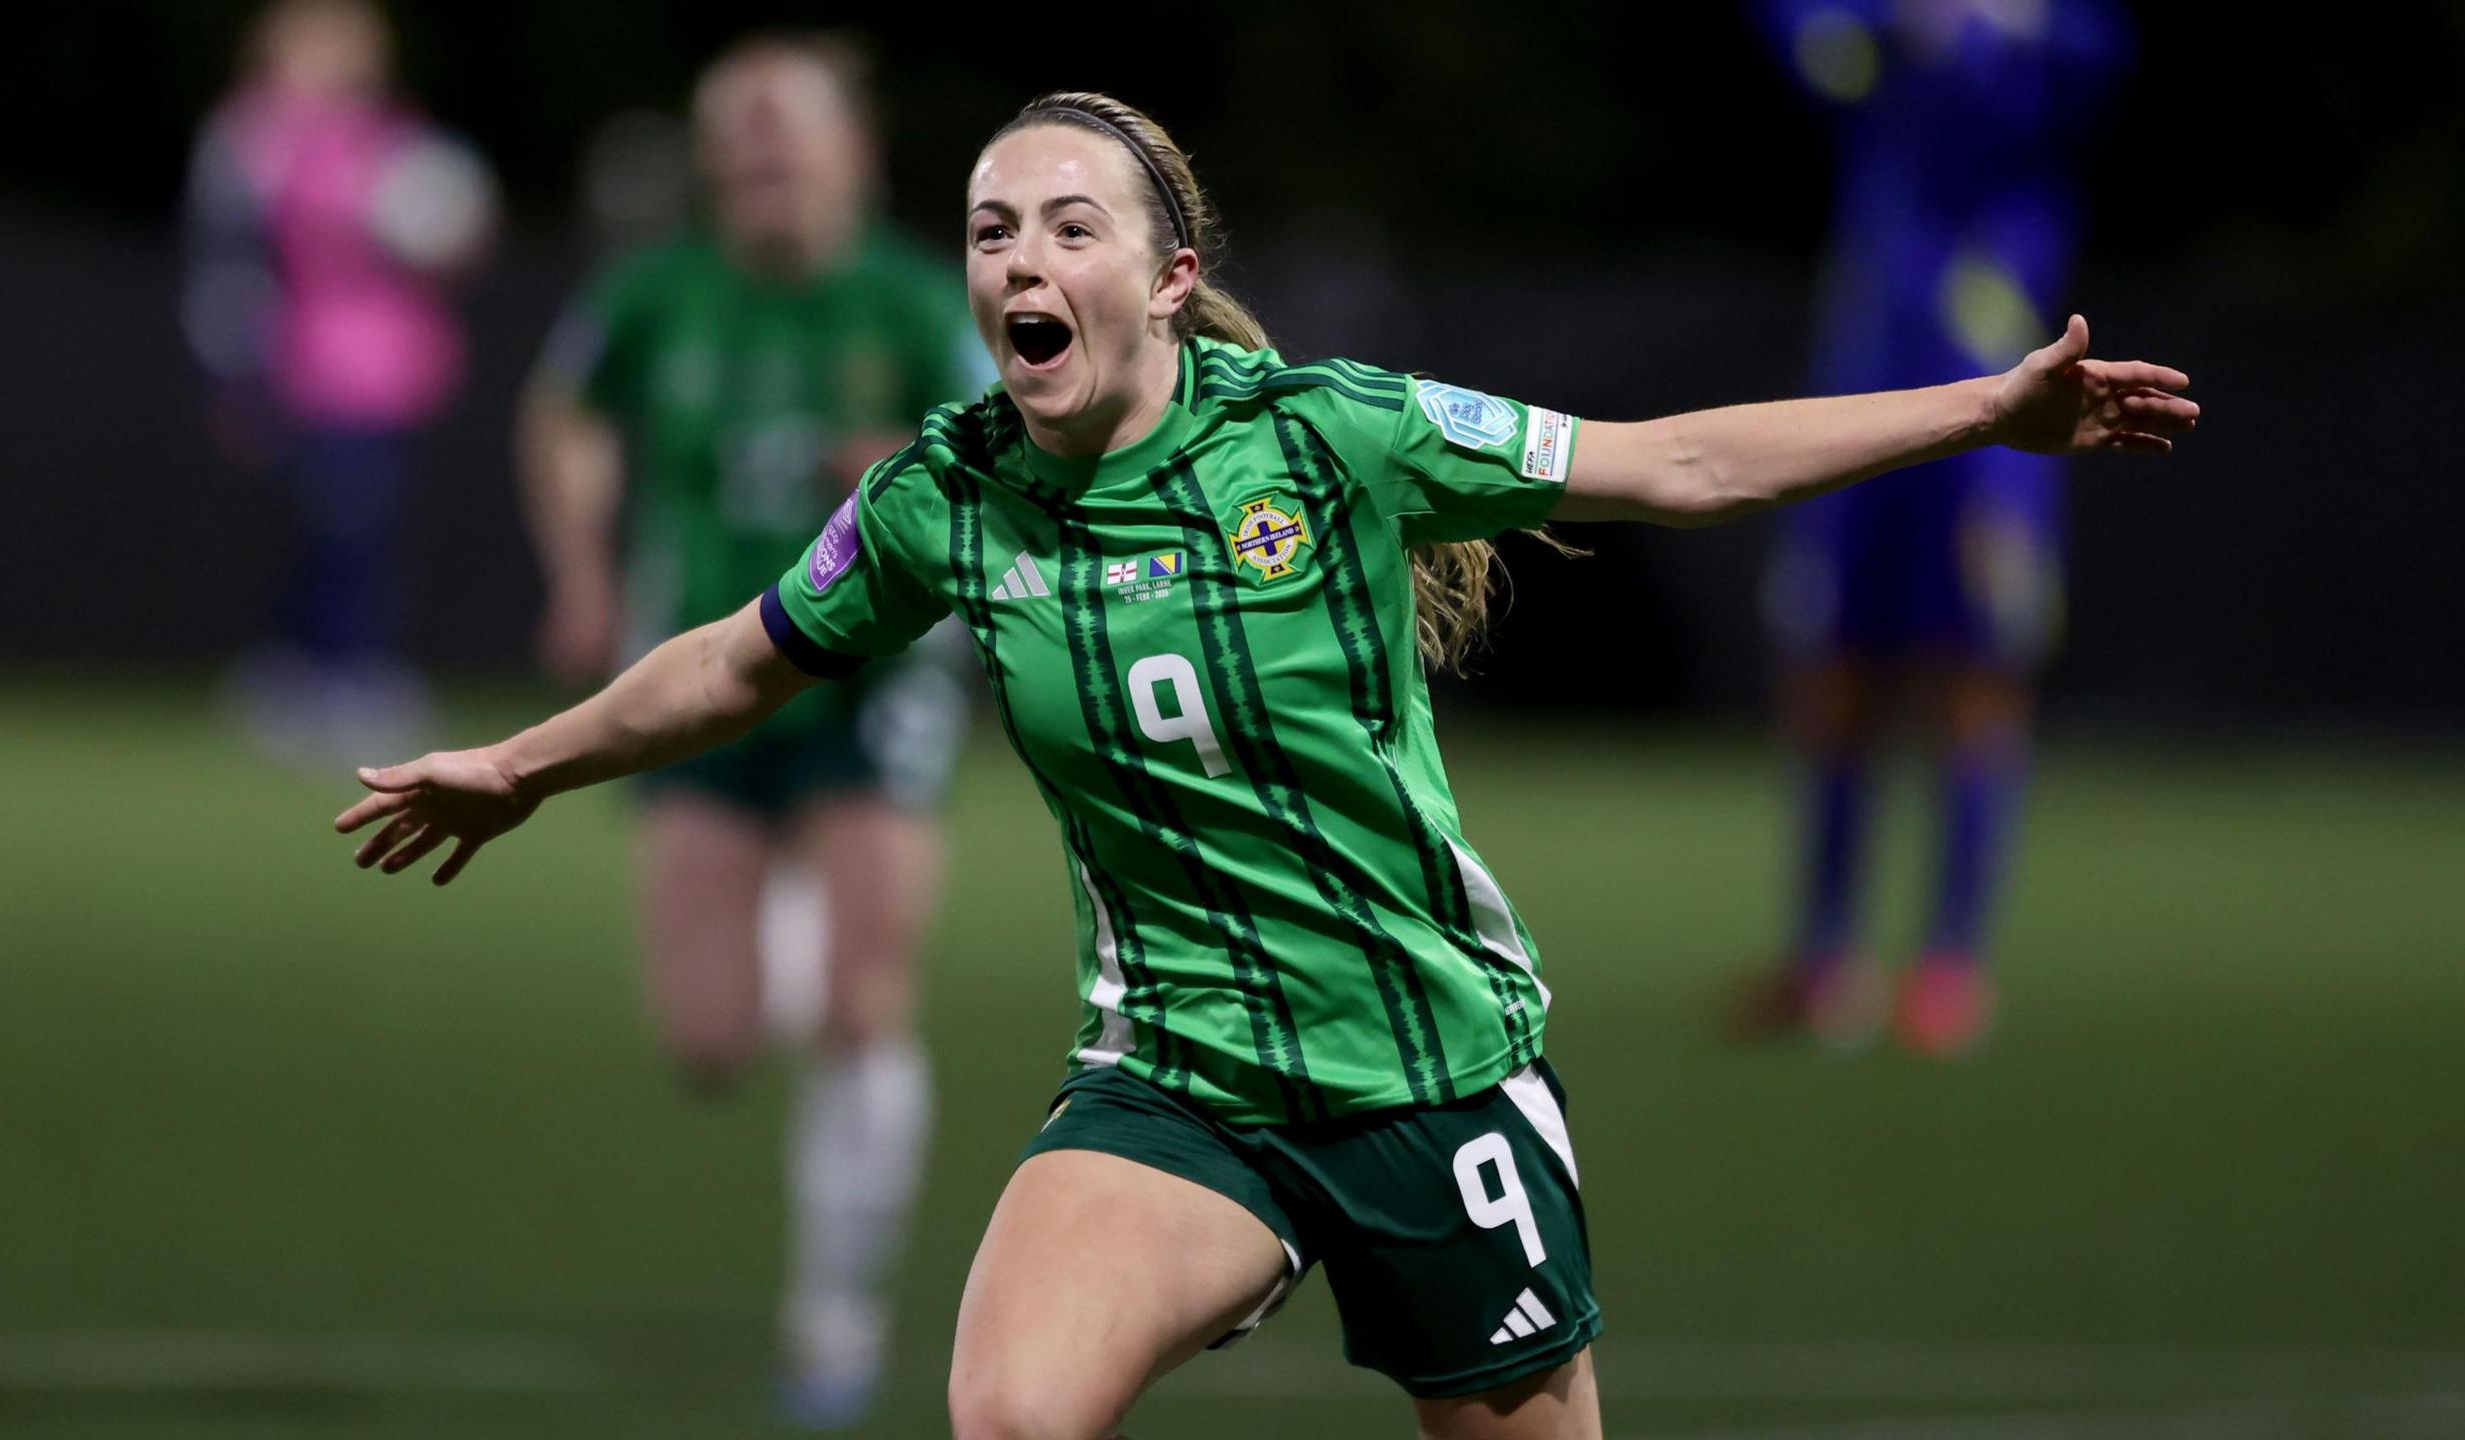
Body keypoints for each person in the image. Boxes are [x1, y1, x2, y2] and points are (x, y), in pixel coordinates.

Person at [333, 90, 2195, 1440]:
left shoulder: (1330, 438)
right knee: (1008, 1416)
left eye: (1071, 224)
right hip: (1181, 1087)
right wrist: (526, 762)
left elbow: (1678, 466)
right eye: (993, 230)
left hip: (1427, 1080)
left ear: (1169, 272)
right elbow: (744, 658)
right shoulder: (947, 497)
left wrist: (1987, 411)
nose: (1022, 261)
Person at [518, 33, 986, 1427]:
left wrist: (914, 463)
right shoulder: (654, 294)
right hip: (700, 675)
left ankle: (835, 1323)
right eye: (743, 133)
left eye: (792, 130)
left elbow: (1013, 436)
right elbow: (563, 418)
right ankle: (790, 932)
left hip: (875, 672)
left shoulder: (914, 296)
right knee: (711, 1038)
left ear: (855, 149)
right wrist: (583, 569)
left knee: (862, 1001)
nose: (766, 158)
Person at [1741, 0, 2133, 1054]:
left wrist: (1982, 25)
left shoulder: (2051, 42)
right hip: (1862, 386)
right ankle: (1827, 962)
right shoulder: (1874, 37)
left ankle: (1950, 967)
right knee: (1832, 674)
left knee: (1976, 676)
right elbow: (1797, 37)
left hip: (1996, 405)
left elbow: (2093, 69)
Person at [183, 0, 495, 768]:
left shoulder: (395, 142)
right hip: (306, 370)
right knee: (337, 523)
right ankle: (319, 674)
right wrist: (240, 368)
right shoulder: (252, 139)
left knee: (370, 525)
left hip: (388, 373)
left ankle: (341, 672)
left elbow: (448, 239)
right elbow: (229, 262)